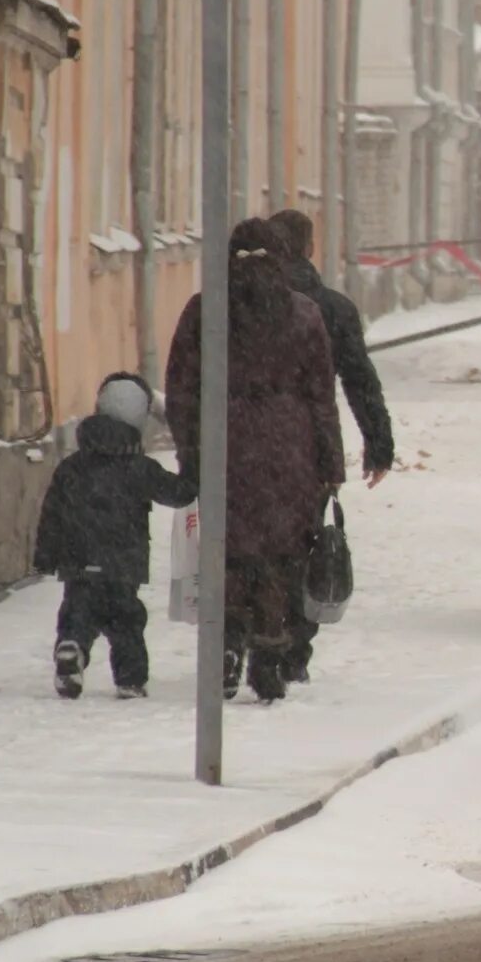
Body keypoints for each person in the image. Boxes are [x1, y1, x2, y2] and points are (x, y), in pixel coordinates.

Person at [165, 219, 345, 704]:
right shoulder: (303, 314)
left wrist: (191, 450)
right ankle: (270, 654)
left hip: (227, 444)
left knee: (230, 551)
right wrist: (331, 464)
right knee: (283, 557)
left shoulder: (205, 311)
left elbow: (181, 388)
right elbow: (320, 395)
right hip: (292, 449)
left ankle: (226, 644)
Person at [268, 209, 394, 685]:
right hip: (310, 448)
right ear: (310, 249)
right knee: (303, 544)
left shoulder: (239, 304)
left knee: (249, 543)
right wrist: (378, 444)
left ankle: (250, 633)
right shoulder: (332, 308)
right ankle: (294, 646)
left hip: (244, 450)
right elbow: (361, 381)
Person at [33, 373, 197, 700]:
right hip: (123, 567)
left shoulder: (72, 467)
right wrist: (194, 466)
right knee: (127, 624)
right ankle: (130, 679)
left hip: (79, 565)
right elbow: (179, 493)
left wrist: (46, 555)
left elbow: (52, 514)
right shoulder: (140, 469)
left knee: (78, 611)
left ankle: (72, 646)